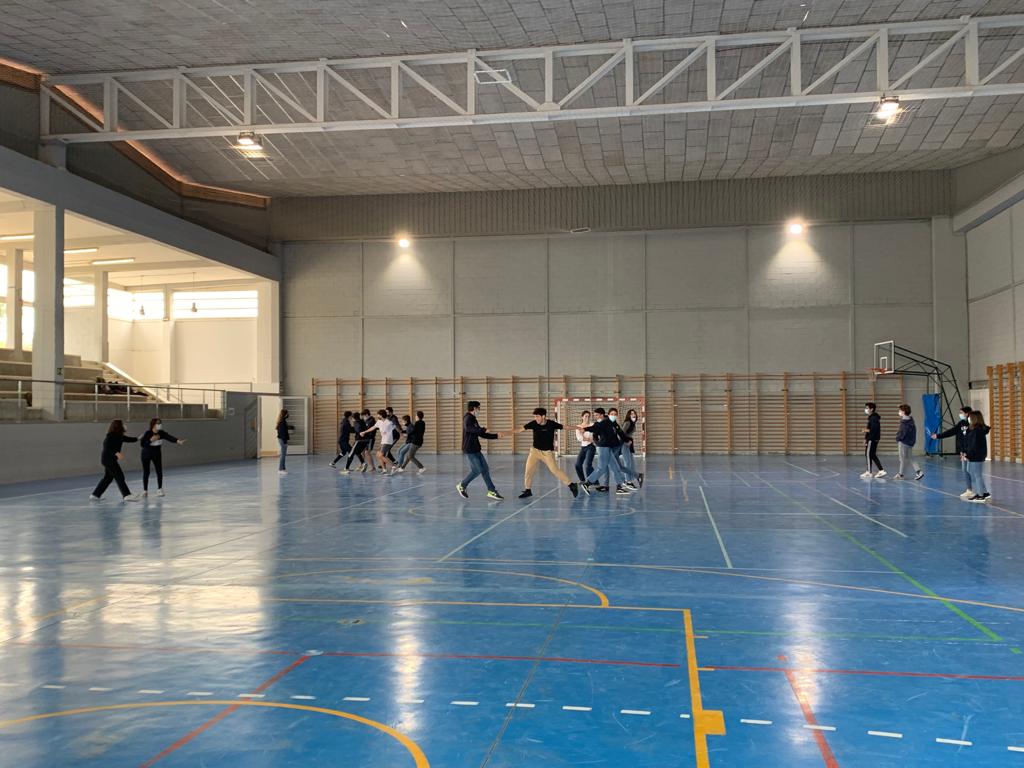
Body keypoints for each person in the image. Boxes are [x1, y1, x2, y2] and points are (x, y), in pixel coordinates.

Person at [516, 407, 578, 498]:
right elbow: (519, 429)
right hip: (535, 451)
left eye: (537, 416)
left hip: (547, 453)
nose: (536, 418)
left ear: (543, 416)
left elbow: (564, 427)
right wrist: (505, 433)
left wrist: (577, 427)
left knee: (555, 470)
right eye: (535, 417)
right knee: (528, 471)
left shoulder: (551, 424)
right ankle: (527, 490)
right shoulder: (533, 424)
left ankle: (572, 485)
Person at [457, 400, 504, 500]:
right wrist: (483, 429)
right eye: (479, 408)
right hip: (469, 449)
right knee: (477, 470)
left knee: (485, 469)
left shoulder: (473, 419)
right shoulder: (467, 418)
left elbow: (480, 433)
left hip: (476, 448)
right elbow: (469, 429)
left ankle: (491, 491)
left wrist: (496, 436)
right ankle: (462, 485)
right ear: (474, 408)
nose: (479, 410)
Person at [579, 408, 631, 495]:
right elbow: (595, 428)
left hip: (607, 448)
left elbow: (619, 432)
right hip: (604, 448)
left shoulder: (607, 422)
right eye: (594, 415)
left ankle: (619, 487)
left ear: (602, 415)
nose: (595, 417)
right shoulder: (603, 422)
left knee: (615, 467)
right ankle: (587, 483)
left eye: (596, 415)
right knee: (601, 468)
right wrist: (586, 429)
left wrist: (626, 440)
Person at [89, 419, 142, 502]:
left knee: (108, 478)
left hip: (109, 460)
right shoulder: (111, 435)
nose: (124, 426)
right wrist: (116, 453)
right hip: (108, 460)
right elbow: (106, 446)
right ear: (118, 426)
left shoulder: (119, 436)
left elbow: (128, 439)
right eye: (123, 424)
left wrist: (138, 438)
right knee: (119, 476)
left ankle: (95, 495)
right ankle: (126, 495)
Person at [932, 406, 973, 497]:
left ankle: (980, 492)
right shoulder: (961, 423)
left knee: (973, 472)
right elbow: (951, 431)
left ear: (967, 414)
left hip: (970, 451)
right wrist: (938, 436)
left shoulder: (972, 424)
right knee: (965, 470)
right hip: (963, 451)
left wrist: (968, 450)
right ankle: (969, 489)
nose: (960, 414)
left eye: (961, 412)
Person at [140, 418, 187, 496]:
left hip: (157, 455)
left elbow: (169, 437)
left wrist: (178, 441)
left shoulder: (161, 433)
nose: (160, 425)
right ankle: (145, 491)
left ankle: (159, 489)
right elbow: (142, 444)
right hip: (146, 455)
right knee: (146, 472)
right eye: (158, 424)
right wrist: (151, 440)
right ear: (153, 425)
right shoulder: (148, 433)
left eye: (160, 423)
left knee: (159, 471)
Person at [608, 407, 644, 490]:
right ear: (628, 415)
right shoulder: (627, 422)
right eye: (631, 414)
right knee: (627, 462)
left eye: (634, 413)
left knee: (631, 462)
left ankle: (631, 480)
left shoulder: (632, 423)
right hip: (624, 444)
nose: (633, 415)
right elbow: (622, 434)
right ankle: (628, 481)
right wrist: (626, 442)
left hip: (629, 443)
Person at [965, 411, 992, 503]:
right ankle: (983, 492)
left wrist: (968, 454)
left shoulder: (977, 431)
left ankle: (981, 495)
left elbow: (974, 445)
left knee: (977, 475)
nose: (968, 418)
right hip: (975, 455)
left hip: (976, 455)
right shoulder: (974, 429)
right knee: (971, 472)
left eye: (969, 417)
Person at [361, 409, 398, 474]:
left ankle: (393, 467)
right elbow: (373, 428)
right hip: (383, 441)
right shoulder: (379, 422)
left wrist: (401, 434)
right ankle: (384, 469)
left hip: (388, 441)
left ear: (381, 415)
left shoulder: (389, 422)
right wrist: (364, 432)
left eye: (378, 414)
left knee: (381, 455)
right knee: (378, 455)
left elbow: (396, 427)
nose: (377, 415)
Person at [893, 404, 923, 481]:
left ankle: (901, 474)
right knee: (910, 457)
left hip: (903, 442)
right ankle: (919, 471)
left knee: (902, 459)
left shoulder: (904, 423)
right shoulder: (911, 420)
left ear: (903, 412)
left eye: (900, 411)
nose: (899, 412)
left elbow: (902, 433)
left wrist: (898, 438)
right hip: (910, 443)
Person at [860, 402, 886, 479]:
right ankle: (881, 470)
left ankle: (868, 472)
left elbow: (873, 430)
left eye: (867, 408)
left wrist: (865, 431)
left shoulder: (873, 418)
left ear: (872, 409)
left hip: (872, 439)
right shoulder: (872, 417)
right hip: (871, 439)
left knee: (868, 454)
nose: (866, 409)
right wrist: (865, 438)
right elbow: (870, 429)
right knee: (872, 455)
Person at [575, 410, 596, 483]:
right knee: (577, 464)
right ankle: (582, 480)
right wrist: (588, 438)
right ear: (582, 417)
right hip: (583, 448)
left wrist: (590, 438)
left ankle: (592, 481)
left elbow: (594, 437)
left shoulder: (592, 425)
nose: (587, 418)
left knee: (587, 465)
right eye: (585, 416)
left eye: (588, 416)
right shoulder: (578, 426)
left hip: (591, 447)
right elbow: (579, 438)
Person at [276, 409, 294, 475]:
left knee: (283, 455)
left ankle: (283, 468)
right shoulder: (282, 422)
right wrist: (285, 442)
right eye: (287, 413)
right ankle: (280, 469)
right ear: (285, 414)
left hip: (281, 439)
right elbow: (282, 433)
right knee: (283, 455)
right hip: (282, 440)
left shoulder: (282, 421)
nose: (288, 415)